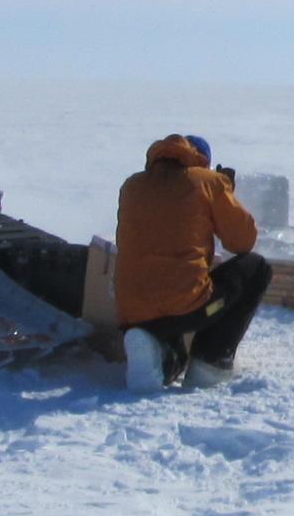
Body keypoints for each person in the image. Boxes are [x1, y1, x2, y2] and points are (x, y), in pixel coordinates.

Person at [115, 134, 269, 390]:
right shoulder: (209, 183)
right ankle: (211, 363)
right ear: (203, 162)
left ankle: (161, 359)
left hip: (133, 312)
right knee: (256, 268)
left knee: (168, 310)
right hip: (189, 309)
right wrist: (225, 191)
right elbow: (242, 243)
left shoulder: (132, 185)